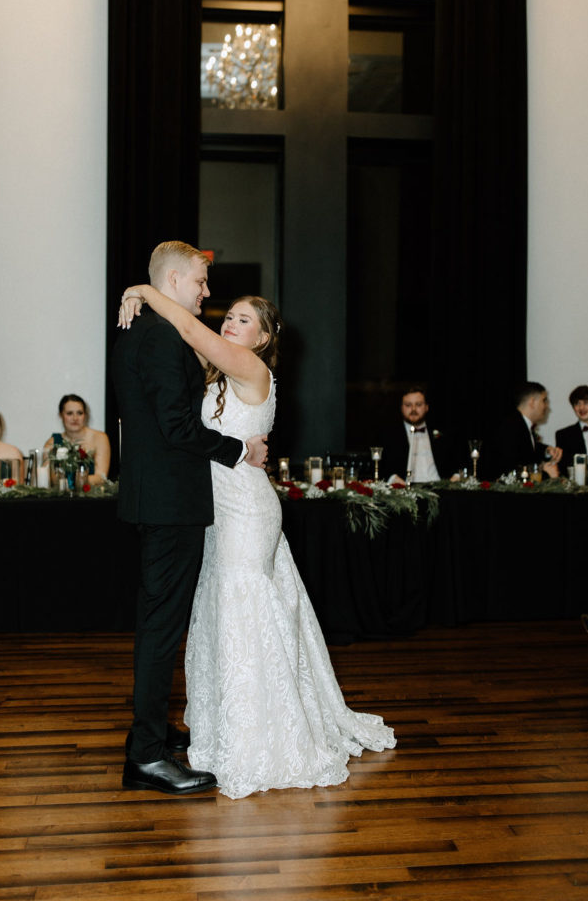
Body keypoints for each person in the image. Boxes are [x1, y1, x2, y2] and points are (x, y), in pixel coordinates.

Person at [119, 282, 396, 799]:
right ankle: (225, 723)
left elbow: (187, 327)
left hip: (245, 510)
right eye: (231, 317)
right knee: (222, 613)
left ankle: (261, 734)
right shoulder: (219, 375)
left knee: (246, 611)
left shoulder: (252, 369)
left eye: (244, 320)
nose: (230, 323)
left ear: (265, 339)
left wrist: (144, 291)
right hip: (214, 510)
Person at [113, 241, 269, 797]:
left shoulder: (151, 327)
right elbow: (177, 428)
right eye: (202, 283)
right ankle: (147, 757)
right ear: (175, 280)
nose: (207, 292)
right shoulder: (158, 335)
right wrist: (238, 451)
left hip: (161, 499)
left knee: (162, 624)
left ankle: (154, 735)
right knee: (160, 630)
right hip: (169, 502)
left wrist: (140, 292)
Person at [380, 386, 460, 484]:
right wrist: (393, 479)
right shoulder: (389, 435)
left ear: (426, 407)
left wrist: (454, 479)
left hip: (440, 490)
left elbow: (458, 462)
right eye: (408, 405)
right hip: (405, 493)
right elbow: (381, 467)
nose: (413, 409)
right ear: (401, 408)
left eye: (418, 404)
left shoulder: (442, 433)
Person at [489, 381, 562, 479]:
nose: (546, 406)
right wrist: (545, 474)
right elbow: (510, 469)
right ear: (532, 402)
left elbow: (526, 449)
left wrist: (546, 451)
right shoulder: (510, 427)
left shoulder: (519, 424)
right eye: (544, 400)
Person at [43, 394, 110, 486]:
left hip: (92, 496)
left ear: (85, 415)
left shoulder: (99, 438)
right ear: (61, 415)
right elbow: (47, 478)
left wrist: (72, 481)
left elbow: (101, 477)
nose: (75, 418)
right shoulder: (52, 442)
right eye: (69, 413)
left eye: (79, 413)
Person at [555, 386, 588, 477]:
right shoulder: (563, 435)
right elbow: (563, 469)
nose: (581, 407)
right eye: (577, 403)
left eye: (586, 403)